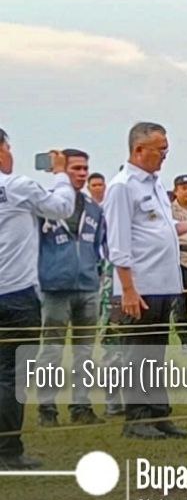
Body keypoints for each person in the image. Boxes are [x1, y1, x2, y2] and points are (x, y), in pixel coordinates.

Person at [102, 121, 187, 439]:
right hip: (138, 287)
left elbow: (163, 228)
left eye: (166, 148)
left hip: (163, 284)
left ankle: (158, 414)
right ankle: (136, 418)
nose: (165, 155)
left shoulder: (154, 183)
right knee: (137, 352)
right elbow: (118, 243)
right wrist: (127, 288)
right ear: (139, 150)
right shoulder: (122, 186)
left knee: (156, 352)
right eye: (160, 149)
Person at [0, 130, 75, 469]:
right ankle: (8, 451)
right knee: (10, 377)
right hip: (15, 295)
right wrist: (60, 172)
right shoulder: (17, 186)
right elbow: (62, 207)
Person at [35, 148, 106, 426]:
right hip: (54, 287)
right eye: (75, 168)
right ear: (63, 171)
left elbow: (99, 245)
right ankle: (47, 409)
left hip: (88, 286)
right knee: (51, 350)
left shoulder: (93, 209)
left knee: (85, 351)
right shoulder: (46, 206)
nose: (82, 173)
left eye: (85, 168)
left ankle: (81, 407)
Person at [168, 173, 187, 351]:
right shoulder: (169, 210)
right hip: (178, 260)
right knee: (180, 304)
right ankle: (186, 342)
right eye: (184, 188)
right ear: (176, 190)